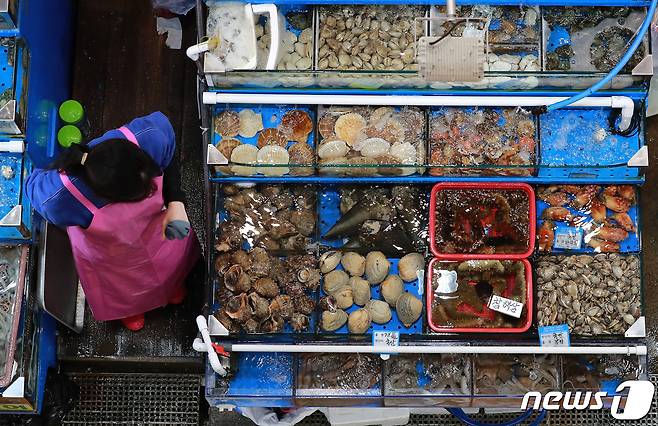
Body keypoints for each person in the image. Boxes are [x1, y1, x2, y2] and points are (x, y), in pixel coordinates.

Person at [25, 112, 200, 331]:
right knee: (125, 290)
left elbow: (170, 154)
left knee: (170, 267)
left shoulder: (149, 138)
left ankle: (172, 287)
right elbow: (32, 187)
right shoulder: (60, 196)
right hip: (111, 257)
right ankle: (132, 309)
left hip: (158, 233)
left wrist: (176, 201)